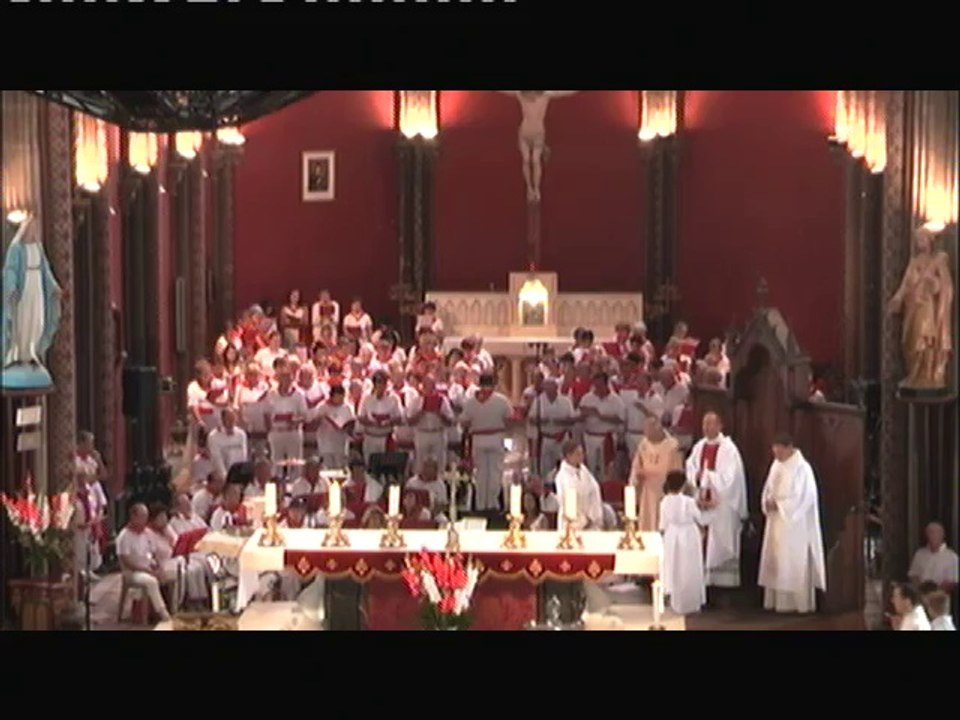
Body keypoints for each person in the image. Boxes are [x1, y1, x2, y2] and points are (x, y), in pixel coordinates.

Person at [758, 433, 827, 614]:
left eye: (779, 451)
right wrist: (767, 501)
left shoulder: (802, 469)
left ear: (789, 448)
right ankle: (777, 603)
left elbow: (805, 498)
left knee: (792, 562)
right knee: (777, 562)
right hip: (776, 522)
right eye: (774, 451)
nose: (777, 455)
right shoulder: (776, 465)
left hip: (795, 526)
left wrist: (780, 505)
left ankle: (798, 605)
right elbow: (768, 488)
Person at [684, 412, 748, 588]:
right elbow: (691, 467)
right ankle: (704, 581)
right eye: (705, 424)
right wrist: (697, 478)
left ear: (720, 426)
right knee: (704, 540)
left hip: (722, 504)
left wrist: (708, 477)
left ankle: (723, 584)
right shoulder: (699, 446)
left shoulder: (729, 449)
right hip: (703, 502)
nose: (707, 427)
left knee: (719, 542)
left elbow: (730, 478)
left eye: (711, 424)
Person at [886, 226, 954, 390]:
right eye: (917, 240)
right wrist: (897, 298)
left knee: (925, 340)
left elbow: (946, 286)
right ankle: (914, 374)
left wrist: (934, 284)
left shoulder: (937, 261)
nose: (920, 243)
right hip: (913, 308)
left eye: (922, 239)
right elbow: (905, 285)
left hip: (928, 309)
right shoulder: (913, 263)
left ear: (930, 241)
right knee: (908, 340)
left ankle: (928, 375)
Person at [1, 214, 62, 375]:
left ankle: (32, 352)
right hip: (24, 288)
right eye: (32, 228)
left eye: (36, 228)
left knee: (37, 319)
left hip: (37, 288)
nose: (34, 231)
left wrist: (54, 286)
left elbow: (45, 269)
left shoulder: (38, 248)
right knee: (24, 319)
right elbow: (11, 270)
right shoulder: (16, 248)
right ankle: (19, 353)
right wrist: (12, 287)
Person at [498, 91, 578, 202]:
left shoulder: (545, 95)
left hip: (537, 135)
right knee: (526, 160)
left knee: (535, 161)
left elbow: (563, 92)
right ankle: (529, 189)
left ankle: (536, 189)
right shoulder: (521, 95)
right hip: (525, 133)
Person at [460, 374, 513, 511]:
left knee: (481, 473)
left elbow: (464, 422)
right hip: (496, 437)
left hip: (478, 438)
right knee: (495, 472)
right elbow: (510, 419)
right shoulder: (501, 400)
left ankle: (480, 504)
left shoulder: (471, 401)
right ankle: (493, 505)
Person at [659, 470, 706, 615]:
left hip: (672, 536)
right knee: (688, 568)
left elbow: (662, 524)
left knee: (674, 567)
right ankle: (690, 602)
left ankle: (674, 600)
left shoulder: (664, 501)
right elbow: (700, 518)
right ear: (683, 484)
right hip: (688, 535)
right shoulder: (689, 501)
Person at [116, 503, 171, 622]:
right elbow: (127, 561)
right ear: (133, 517)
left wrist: (157, 567)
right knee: (151, 581)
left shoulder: (147, 533)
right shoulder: (124, 536)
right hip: (132, 572)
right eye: (142, 517)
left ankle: (172, 607)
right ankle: (162, 612)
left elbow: (153, 553)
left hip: (148, 567)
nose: (145, 520)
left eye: (146, 517)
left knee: (169, 573)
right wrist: (147, 570)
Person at [146, 504, 208, 608]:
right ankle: (178, 604)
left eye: (165, 516)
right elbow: (151, 555)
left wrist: (168, 535)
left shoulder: (167, 528)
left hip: (175, 559)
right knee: (184, 572)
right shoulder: (148, 534)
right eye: (160, 517)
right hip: (163, 564)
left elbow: (177, 542)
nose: (164, 520)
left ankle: (199, 598)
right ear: (153, 520)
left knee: (197, 567)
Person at [630, 416, 683, 532]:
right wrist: (637, 479)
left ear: (658, 429)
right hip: (646, 493)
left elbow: (677, 473)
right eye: (646, 432)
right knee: (646, 525)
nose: (647, 436)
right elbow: (636, 467)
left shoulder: (672, 446)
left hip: (664, 492)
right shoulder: (644, 444)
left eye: (650, 432)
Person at [264, 361, 308, 477]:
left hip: (293, 432)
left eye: (289, 378)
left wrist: (295, 421)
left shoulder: (299, 394)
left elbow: (304, 415)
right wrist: (269, 432)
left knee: (295, 463)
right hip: (277, 432)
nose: (286, 381)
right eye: (283, 378)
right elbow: (266, 414)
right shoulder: (271, 394)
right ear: (278, 379)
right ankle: (276, 486)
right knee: (276, 463)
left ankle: (294, 488)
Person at [578, 372, 625, 482]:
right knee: (591, 465)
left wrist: (600, 415)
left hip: (607, 437)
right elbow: (580, 417)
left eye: (599, 385)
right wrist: (584, 414)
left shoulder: (616, 400)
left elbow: (620, 419)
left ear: (606, 384)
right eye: (595, 385)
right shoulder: (587, 398)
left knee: (606, 468)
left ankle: (605, 489)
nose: (597, 388)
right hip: (590, 436)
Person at [527, 377, 575, 479]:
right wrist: (541, 421)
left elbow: (572, 419)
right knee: (545, 467)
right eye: (546, 387)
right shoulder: (539, 401)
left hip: (562, 437)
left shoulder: (565, 401)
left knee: (563, 465)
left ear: (556, 387)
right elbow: (531, 419)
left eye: (551, 387)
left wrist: (562, 422)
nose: (548, 390)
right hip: (546, 438)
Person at [406, 374, 454, 472]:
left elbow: (450, 421)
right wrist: (421, 412)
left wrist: (439, 414)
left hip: (438, 433)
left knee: (439, 464)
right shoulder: (416, 400)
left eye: (432, 385)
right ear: (422, 386)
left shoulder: (442, 400)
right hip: (422, 433)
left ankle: (439, 485)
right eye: (427, 385)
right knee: (420, 463)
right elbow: (409, 421)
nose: (430, 388)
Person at [553, 440, 603, 533]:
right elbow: (566, 500)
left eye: (582, 453)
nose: (582, 457)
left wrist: (591, 516)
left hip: (589, 520)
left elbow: (594, 490)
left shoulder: (584, 471)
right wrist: (581, 521)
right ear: (568, 456)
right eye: (578, 454)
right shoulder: (562, 477)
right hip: (572, 523)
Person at [358, 370, 404, 463]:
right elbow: (360, 417)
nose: (381, 386)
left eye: (384, 383)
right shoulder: (366, 398)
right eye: (379, 382)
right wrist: (372, 422)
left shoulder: (393, 398)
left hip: (386, 437)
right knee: (370, 464)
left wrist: (388, 422)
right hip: (371, 436)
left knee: (386, 466)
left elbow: (399, 418)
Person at [908, 521, 959, 593]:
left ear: (942, 534)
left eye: (937, 532)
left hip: (941, 597)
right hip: (920, 595)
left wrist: (935, 592)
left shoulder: (952, 557)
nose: (934, 535)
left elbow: (953, 581)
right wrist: (921, 589)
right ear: (926, 535)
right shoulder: (919, 554)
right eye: (931, 532)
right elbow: (913, 574)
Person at [315, 385, 356, 470]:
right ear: (332, 396)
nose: (341, 399)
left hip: (341, 446)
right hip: (325, 445)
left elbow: (351, 425)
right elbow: (314, 423)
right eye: (338, 397)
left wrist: (347, 428)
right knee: (327, 469)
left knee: (340, 469)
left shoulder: (347, 407)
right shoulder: (322, 407)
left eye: (342, 397)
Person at [235, 361, 271, 457]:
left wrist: (268, 428)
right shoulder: (240, 388)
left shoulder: (264, 387)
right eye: (250, 374)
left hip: (261, 426)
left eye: (255, 374)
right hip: (245, 426)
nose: (253, 377)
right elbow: (236, 407)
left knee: (261, 454)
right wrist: (241, 421)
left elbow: (267, 407)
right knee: (246, 454)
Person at [207, 408, 249, 481]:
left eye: (233, 418)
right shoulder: (214, 436)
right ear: (222, 420)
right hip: (221, 477)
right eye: (228, 419)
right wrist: (225, 477)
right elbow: (217, 458)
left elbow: (243, 456)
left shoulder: (241, 434)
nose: (231, 422)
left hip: (238, 475)